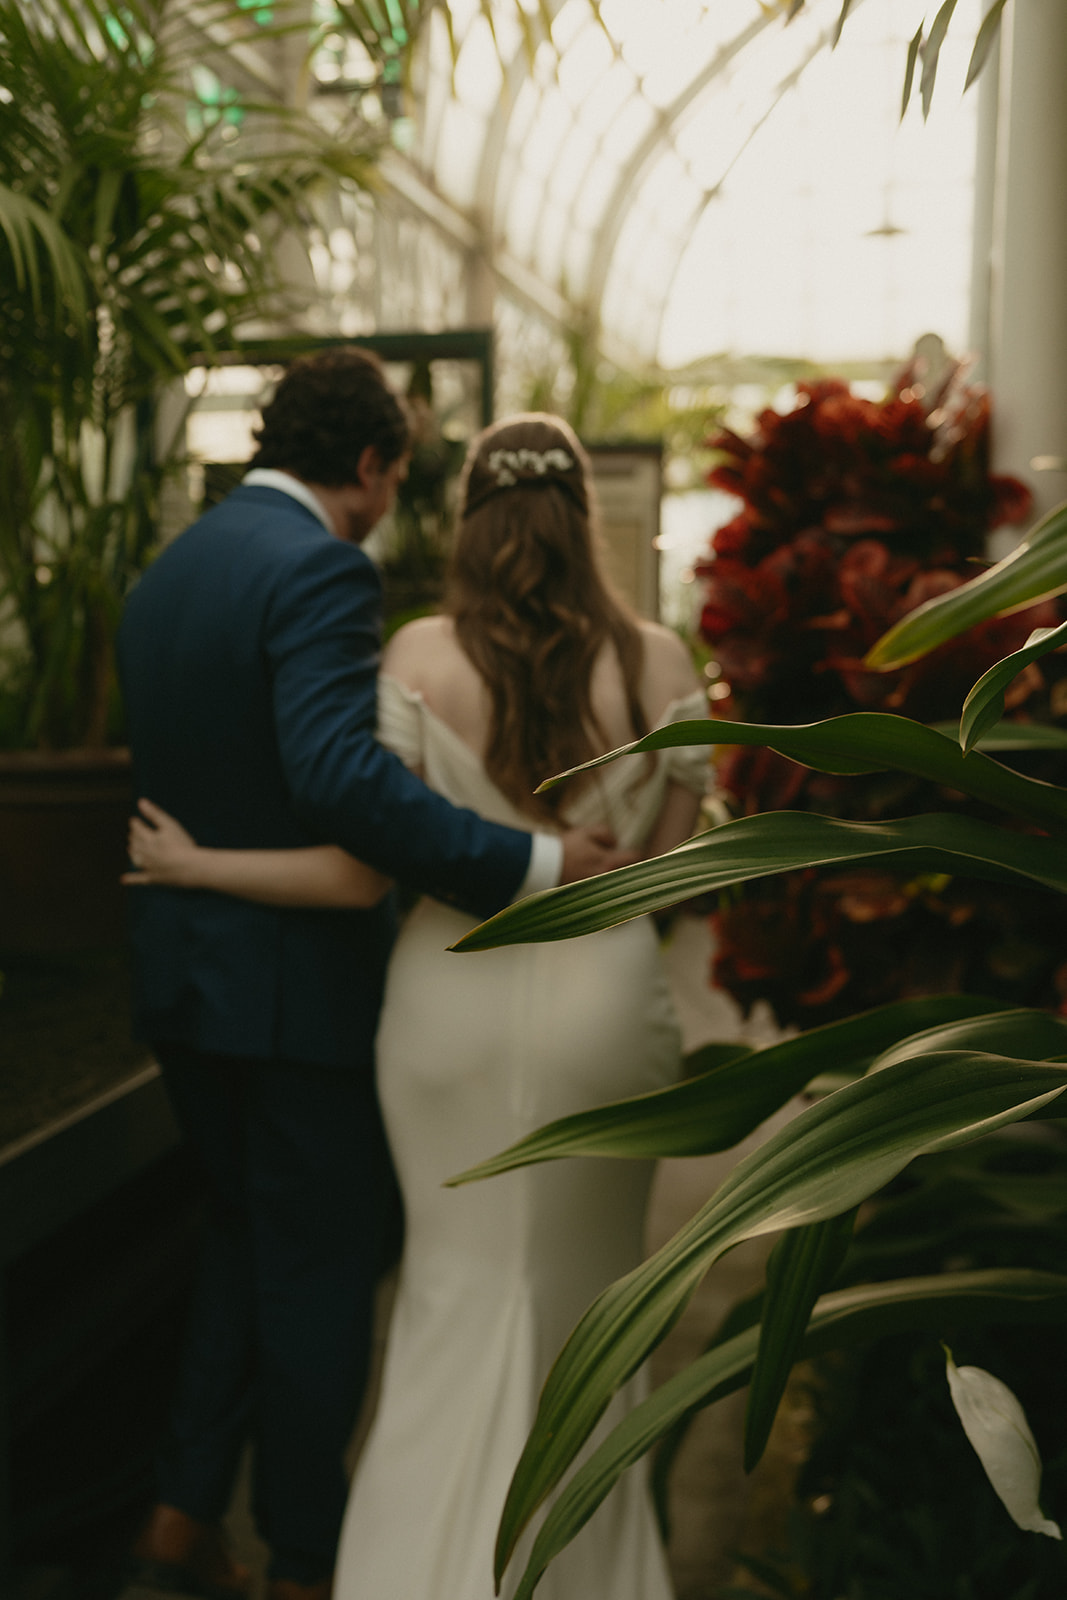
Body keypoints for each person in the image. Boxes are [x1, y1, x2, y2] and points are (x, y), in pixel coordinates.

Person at [124, 413, 709, 1600]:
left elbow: (361, 863)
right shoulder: (656, 660)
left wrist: (198, 866)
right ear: (580, 514)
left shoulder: (415, 657)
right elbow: (672, 871)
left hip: (442, 1005)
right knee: (590, 1306)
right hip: (607, 998)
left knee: (445, 1300)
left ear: (471, 520)